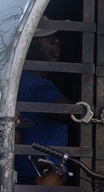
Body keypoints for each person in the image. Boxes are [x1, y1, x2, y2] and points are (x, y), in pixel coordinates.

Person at [15, 22, 75, 183]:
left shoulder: (16, 81)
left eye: (55, 36)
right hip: (41, 181)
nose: (56, 41)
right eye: (45, 37)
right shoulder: (40, 87)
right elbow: (71, 113)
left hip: (22, 176)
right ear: (27, 46)